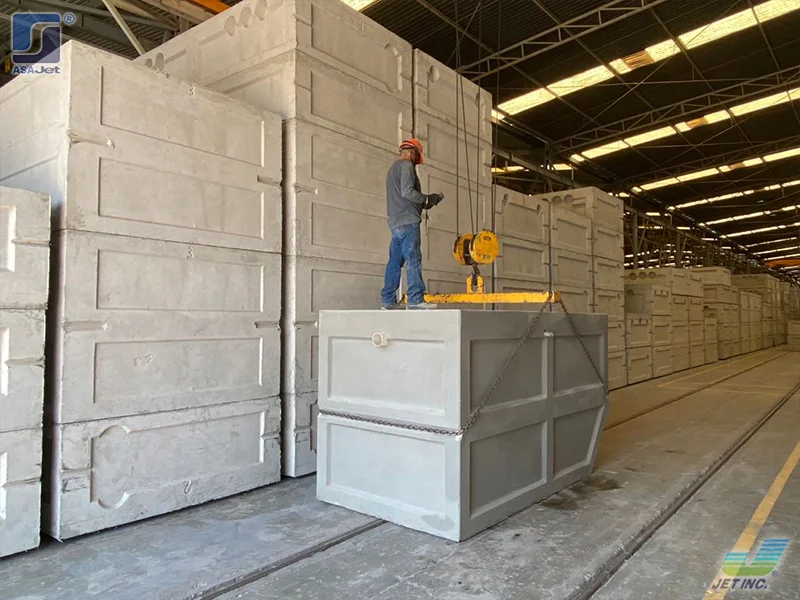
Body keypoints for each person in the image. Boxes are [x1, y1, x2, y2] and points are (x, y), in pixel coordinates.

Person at [380, 139, 444, 310]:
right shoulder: (407, 165)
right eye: (417, 156)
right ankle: (415, 299)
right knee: (413, 258)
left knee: (394, 261)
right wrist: (426, 198)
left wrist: (427, 201)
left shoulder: (392, 169)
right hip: (408, 221)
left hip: (395, 223)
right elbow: (407, 191)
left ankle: (387, 300)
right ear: (413, 152)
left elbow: (404, 196)